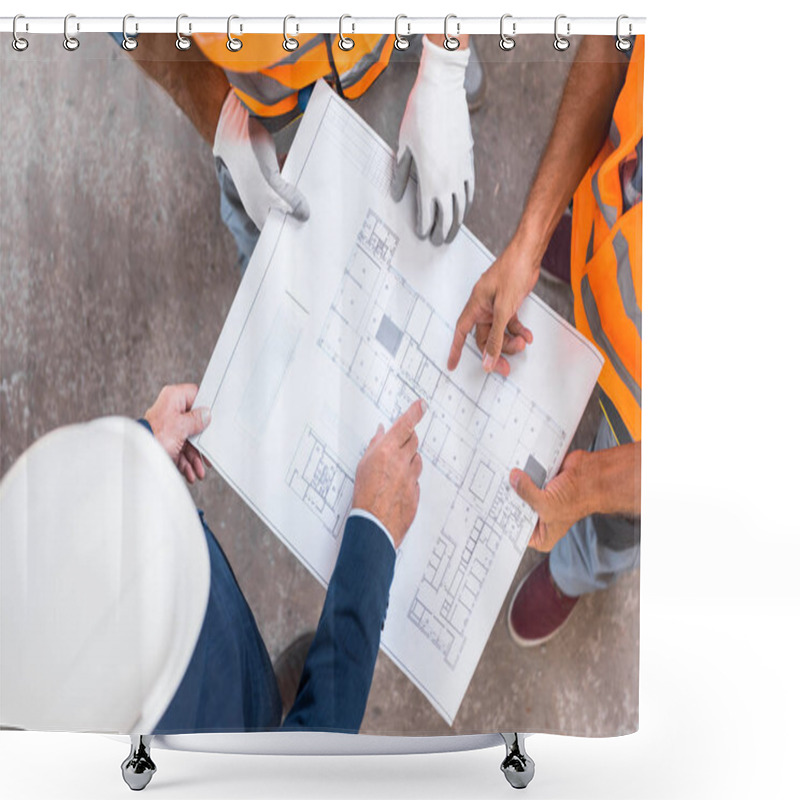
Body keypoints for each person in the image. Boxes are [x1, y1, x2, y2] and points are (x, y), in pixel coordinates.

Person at [0, 383, 426, 734]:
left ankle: (261, 698)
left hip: (202, 655)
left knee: (251, 687)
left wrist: (142, 448)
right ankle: (263, 721)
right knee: (254, 725)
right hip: (209, 723)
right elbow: (301, 778)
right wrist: (373, 535)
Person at [447, 36, 643, 646]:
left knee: (616, 526)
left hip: (641, 418)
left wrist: (594, 487)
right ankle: (579, 250)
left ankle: (580, 568)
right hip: (609, 233)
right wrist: (529, 244)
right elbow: (615, 43)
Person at [116, 32, 482, 270]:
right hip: (260, 88)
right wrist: (222, 116)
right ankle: (271, 276)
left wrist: (444, 60)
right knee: (265, 208)